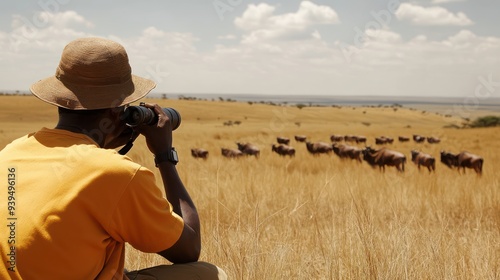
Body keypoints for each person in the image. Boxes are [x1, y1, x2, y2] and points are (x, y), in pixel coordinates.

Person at [0, 37, 227, 279]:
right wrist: (164, 156)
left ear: (60, 101)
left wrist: (103, 141)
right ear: (117, 110)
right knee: (210, 274)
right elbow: (189, 248)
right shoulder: (116, 173)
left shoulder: (10, 153)